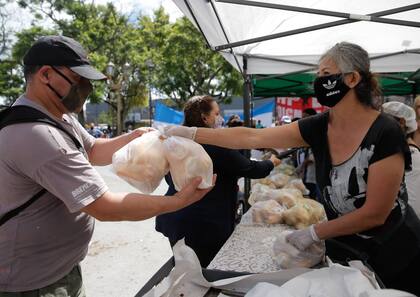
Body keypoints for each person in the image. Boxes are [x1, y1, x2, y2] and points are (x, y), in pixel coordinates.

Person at [163, 42, 420, 294]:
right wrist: (194, 133)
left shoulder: (385, 132)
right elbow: (254, 138)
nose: (319, 81)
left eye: (326, 74)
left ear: (352, 79)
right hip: (349, 253)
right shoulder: (320, 126)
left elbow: (374, 214)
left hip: (395, 254)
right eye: (318, 75)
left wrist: (314, 232)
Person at [0, 36, 214, 297]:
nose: (87, 87)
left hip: (58, 270)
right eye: (79, 79)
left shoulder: (59, 116)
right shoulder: (38, 135)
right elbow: (105, 206)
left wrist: (134, 137)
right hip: (33, 284)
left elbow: (92, 150)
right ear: (46, 74)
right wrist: (178, 201)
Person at [155, 95, 281, 267]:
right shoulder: (215, 145)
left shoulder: (174, 142)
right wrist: (271, 162)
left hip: (176, 217)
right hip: (205, 224)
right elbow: (251, 169)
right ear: (204, 117)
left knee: (185, 269)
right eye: (216, 113)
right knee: (203, 274)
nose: (220, 118)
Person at [382, 101, 420, 217]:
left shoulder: (412, 157)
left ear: (402, 123)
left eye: (384, 121)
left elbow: (413, 204)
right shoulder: (396, 152)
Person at [296, 108, 320, 200]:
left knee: (312, 198)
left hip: (313, 176)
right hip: (306, 176)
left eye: (305, 117)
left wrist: (302, 166)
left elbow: (312, 158)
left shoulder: (317, 133)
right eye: (302, 118)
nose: (303, 120)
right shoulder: (306, 133)